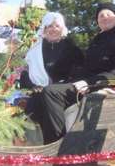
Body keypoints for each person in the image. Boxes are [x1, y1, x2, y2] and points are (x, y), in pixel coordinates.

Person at [40, 2, 115, 144]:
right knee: (40, 95)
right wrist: (68, 78)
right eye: (101, 16)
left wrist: (89, 82)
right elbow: (86, 67)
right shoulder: (97, 41)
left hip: (99, 86)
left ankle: (57, 144)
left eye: (108, 14)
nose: (104, 18)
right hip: (84, 82)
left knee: (51, 92)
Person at [19, 12, 83, 140]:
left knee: (47, 96)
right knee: (35, 101)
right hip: (39, 90)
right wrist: (33, 86)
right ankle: (35, 146)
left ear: (62, 29)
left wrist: (59, 85)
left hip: (64, 91)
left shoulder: (72, 49)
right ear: (44, 28)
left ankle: (55, 142)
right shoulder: (34, 50)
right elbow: (24, 74)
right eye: (50, 26)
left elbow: (79, 72)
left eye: (57, 26)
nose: (53, 29)